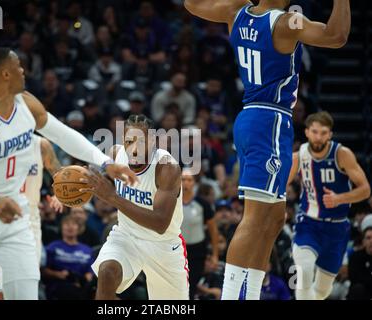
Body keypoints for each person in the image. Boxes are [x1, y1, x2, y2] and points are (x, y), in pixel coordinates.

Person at [0, 47, 137, 300]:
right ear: (5, 74)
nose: (23, 71)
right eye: (18, 66)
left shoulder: (26, 103)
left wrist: (106, 163)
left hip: (15, 210)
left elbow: (62, 134)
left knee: (24, 292)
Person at [184, 0, 351, 300]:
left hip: (254, 118)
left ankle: (249, 293)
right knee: (254, 218)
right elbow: (336, 36)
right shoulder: (285, 23)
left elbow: (192, 4)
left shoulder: (236, 12)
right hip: (269, 121)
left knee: (273, 218)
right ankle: (232, 295)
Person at [81, 114, 189, 300]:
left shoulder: (167, 168)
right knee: (106, 273)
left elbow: (160, 223)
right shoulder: (116, 154)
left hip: (163, 245)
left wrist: (112, 198)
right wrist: (68, 192)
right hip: (126, 236)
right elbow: (90, 175)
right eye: (129, 141)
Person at [287, 112, 370, 300]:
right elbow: (281, 188)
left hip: (337, 227)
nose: (318, 137)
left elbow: (365, 190)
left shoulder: (342, 154)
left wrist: (340, 198)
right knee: (304, 271)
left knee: (323, 291)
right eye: (315, 132)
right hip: (308, 223)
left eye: (323, 132)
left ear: (330, 134)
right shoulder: (298, 156)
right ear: (307, 132)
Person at [20, 135, 64, 263]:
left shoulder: (40, 145)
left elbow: (60, 176)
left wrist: (60, 194)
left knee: (32, 269)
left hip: (30, 214)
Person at [181, 169, 219, 299]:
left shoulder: (203, 204)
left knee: (191, 286)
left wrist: (215, 254)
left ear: (194, 183)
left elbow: (213, 230)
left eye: (189, 180)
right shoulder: (172, 203)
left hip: (197, 251)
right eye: (183, 179)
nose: (186, 183)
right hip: (177, 250)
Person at [42, 215, 95, 300]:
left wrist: (87, 277)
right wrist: (57, 274)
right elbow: (43, 269)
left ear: (78, 228)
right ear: (61, 228)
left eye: (73, 224)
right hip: (59, 287)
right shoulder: (53, 247)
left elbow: (91, 271)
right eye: (67, 224)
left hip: (82, 286)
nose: (70, 227)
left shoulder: (87, 250)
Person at [347, 218, 372, 300]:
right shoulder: (355, 256)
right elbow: (354, 278)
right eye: (368, 238)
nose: (371, 241)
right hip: (362, 292)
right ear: (363, 241)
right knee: (358, 288)